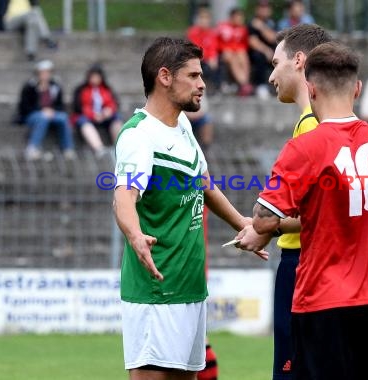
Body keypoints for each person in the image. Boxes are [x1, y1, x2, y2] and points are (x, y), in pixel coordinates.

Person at [249, 41, 368, 379]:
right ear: (357, 89)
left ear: (310, 89)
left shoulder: (302, 148)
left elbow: (264, 218)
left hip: (321, 301)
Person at [112, 37, 267, 380]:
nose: (202, 84)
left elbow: (204, 183)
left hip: (189, 287)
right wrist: (136, 236)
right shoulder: (139, 136)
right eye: (194, 76)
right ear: (164, 76)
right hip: (157, 290)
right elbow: (123, 196)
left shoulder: (181, 126)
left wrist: (240, 222)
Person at [237, 23, 332, 380]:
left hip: (302, 265)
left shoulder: (310, 128)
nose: (271, 75)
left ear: (299, 60)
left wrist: (268, 227)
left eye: (276, 64)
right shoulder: (327, 124)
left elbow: (319, 216)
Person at [17, 59, 75, 160]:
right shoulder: (29, 87)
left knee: (63, 118)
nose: (45, 75)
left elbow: (60, 105)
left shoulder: (55, 86)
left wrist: (52, 111)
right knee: (42, 118)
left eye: (48, 72)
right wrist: (41, 110)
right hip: (32, 115)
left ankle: (68, 148)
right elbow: (24, 107)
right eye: (43, 72)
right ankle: (32, 148)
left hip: (52, 114)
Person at [72, 64, 123, 158]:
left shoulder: (106, 89)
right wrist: (93, 115)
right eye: (93, 77)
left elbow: (113, 103)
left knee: (117, 118)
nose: (95, 79)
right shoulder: (81, 90)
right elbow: (79, 107)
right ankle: (99, 148)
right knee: (83, 122)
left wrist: (108, 111)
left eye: (97, 77)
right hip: (88, 117)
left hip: (104, 117)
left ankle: (119, 147)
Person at [216, 8, 254, 96]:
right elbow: (216, 41)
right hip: (224, 52)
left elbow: (244, 44)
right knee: (232, 57)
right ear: (232, 17)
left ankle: (245, 83)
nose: (241, 19)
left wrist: (238, 51)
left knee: (242, 55)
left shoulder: (243, 29)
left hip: (237, 51)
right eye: (239, 17)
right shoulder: (222, 27)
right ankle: (244, 84)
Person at [187, 6, 222, 94]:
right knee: (205, 66)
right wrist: (208, 57)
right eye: (202, 18)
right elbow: (194, 49)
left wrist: (213, 57)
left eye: (206, 18)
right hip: (197, 59)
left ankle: (218, 87)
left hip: (209, 59)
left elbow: (213, 48)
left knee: (220, 63)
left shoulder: (212, 33)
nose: (204, 21)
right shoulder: (193, 32)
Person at [247, 0, 277, 99]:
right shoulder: (252, 23)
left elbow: (273, 38)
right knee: (259, 56)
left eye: (266, 8)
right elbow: (253, 42)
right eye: (261, 8)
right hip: (257, 53)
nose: (264, 10)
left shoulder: (271, 23)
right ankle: (261, 86)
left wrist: (261, 27)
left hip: (272, 52)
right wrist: (266, 50)